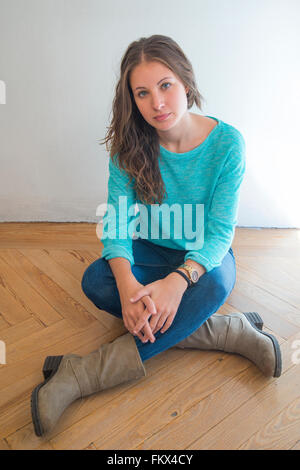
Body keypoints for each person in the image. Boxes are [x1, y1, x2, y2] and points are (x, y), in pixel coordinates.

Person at [31, 35, 282, 437]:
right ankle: (225, 331)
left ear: (185, 81)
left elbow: (219, 234)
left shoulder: (227, 144)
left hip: (199, 257)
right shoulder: (129, 146)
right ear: (132, 99)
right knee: (97, 280)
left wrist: (179, 281)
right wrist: (131, 283)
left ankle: (81, 375)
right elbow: (116, 223)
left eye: (165, 85)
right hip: (149, 250)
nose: (157, 104)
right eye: (143, 93)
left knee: (215, 281)